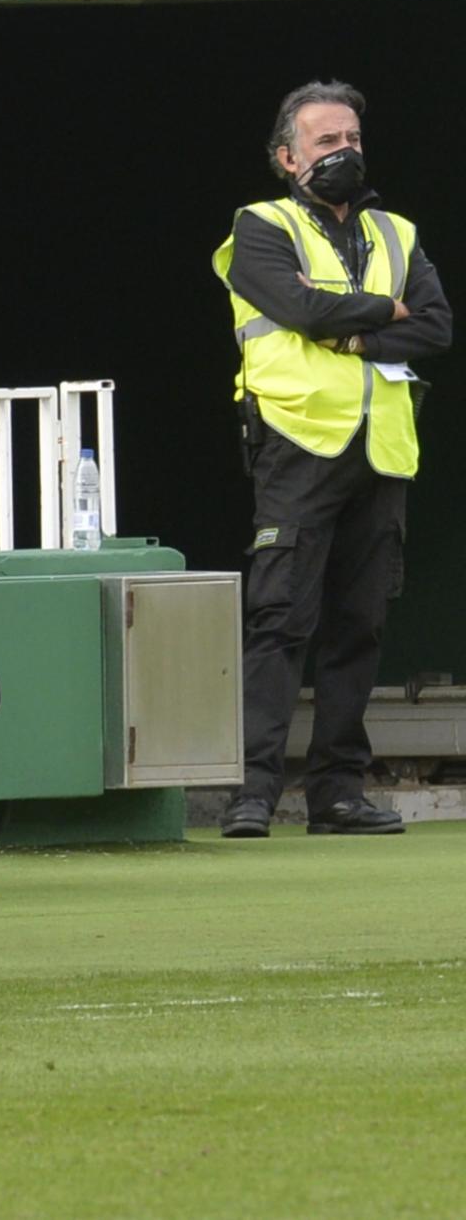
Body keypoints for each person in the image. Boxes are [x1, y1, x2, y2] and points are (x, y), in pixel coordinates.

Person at [212, 81, 453, 838]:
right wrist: (385, 312)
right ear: (286, 157)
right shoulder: (260, 226)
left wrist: (349, 332)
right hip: (297, 445)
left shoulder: (397, 233)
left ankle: (337, 795)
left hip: (381, 451)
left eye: (351, 139)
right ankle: (251, 790)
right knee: (281, 620)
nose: (343, 151)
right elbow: (301, 310)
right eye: (325, 142)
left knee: (360, 625)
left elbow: (438, 328)